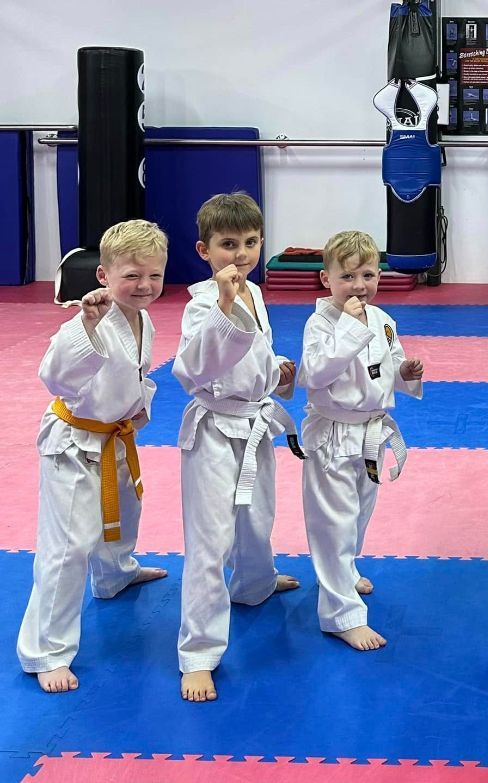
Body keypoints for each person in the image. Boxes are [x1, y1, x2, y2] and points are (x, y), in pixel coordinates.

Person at [16, 220, 169, 693]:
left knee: (123, 513)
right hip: (74, 444)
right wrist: (87, 325)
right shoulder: (88, 320)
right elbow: (56, 377)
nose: (144, 285)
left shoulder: (142, 319)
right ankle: (45, 651)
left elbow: (136, 374)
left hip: (114, 435)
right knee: (68, 547)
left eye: (155, 275)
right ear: (104, 275)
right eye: (132, 275)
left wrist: (138, 408)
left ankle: (114, 575)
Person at [174, 192, 303, 702]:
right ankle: (198, 654)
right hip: (213, 431)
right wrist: (224, 307)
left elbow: (256, 356)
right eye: (228, 244)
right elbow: (192, 371)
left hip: (253, 423)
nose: (241, 254)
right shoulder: (201, 304)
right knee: (210, 540)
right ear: (204, 250)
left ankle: (254, 583)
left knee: (257, 517)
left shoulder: (255, 292)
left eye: (250, 243)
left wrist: (277, 371)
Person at [297, 230, 423, 652]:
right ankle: (341, 615)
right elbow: (314, 374)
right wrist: (349, 328)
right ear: (326, 279)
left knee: (358, 516)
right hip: (333, 434)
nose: (359, 286)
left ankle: (344, 571)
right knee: (333, 524)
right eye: (347, 276)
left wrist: (405, 373)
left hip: (371, 433)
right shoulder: (320, 323)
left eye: (367, 275)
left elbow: (391, 362)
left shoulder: (383, 320)